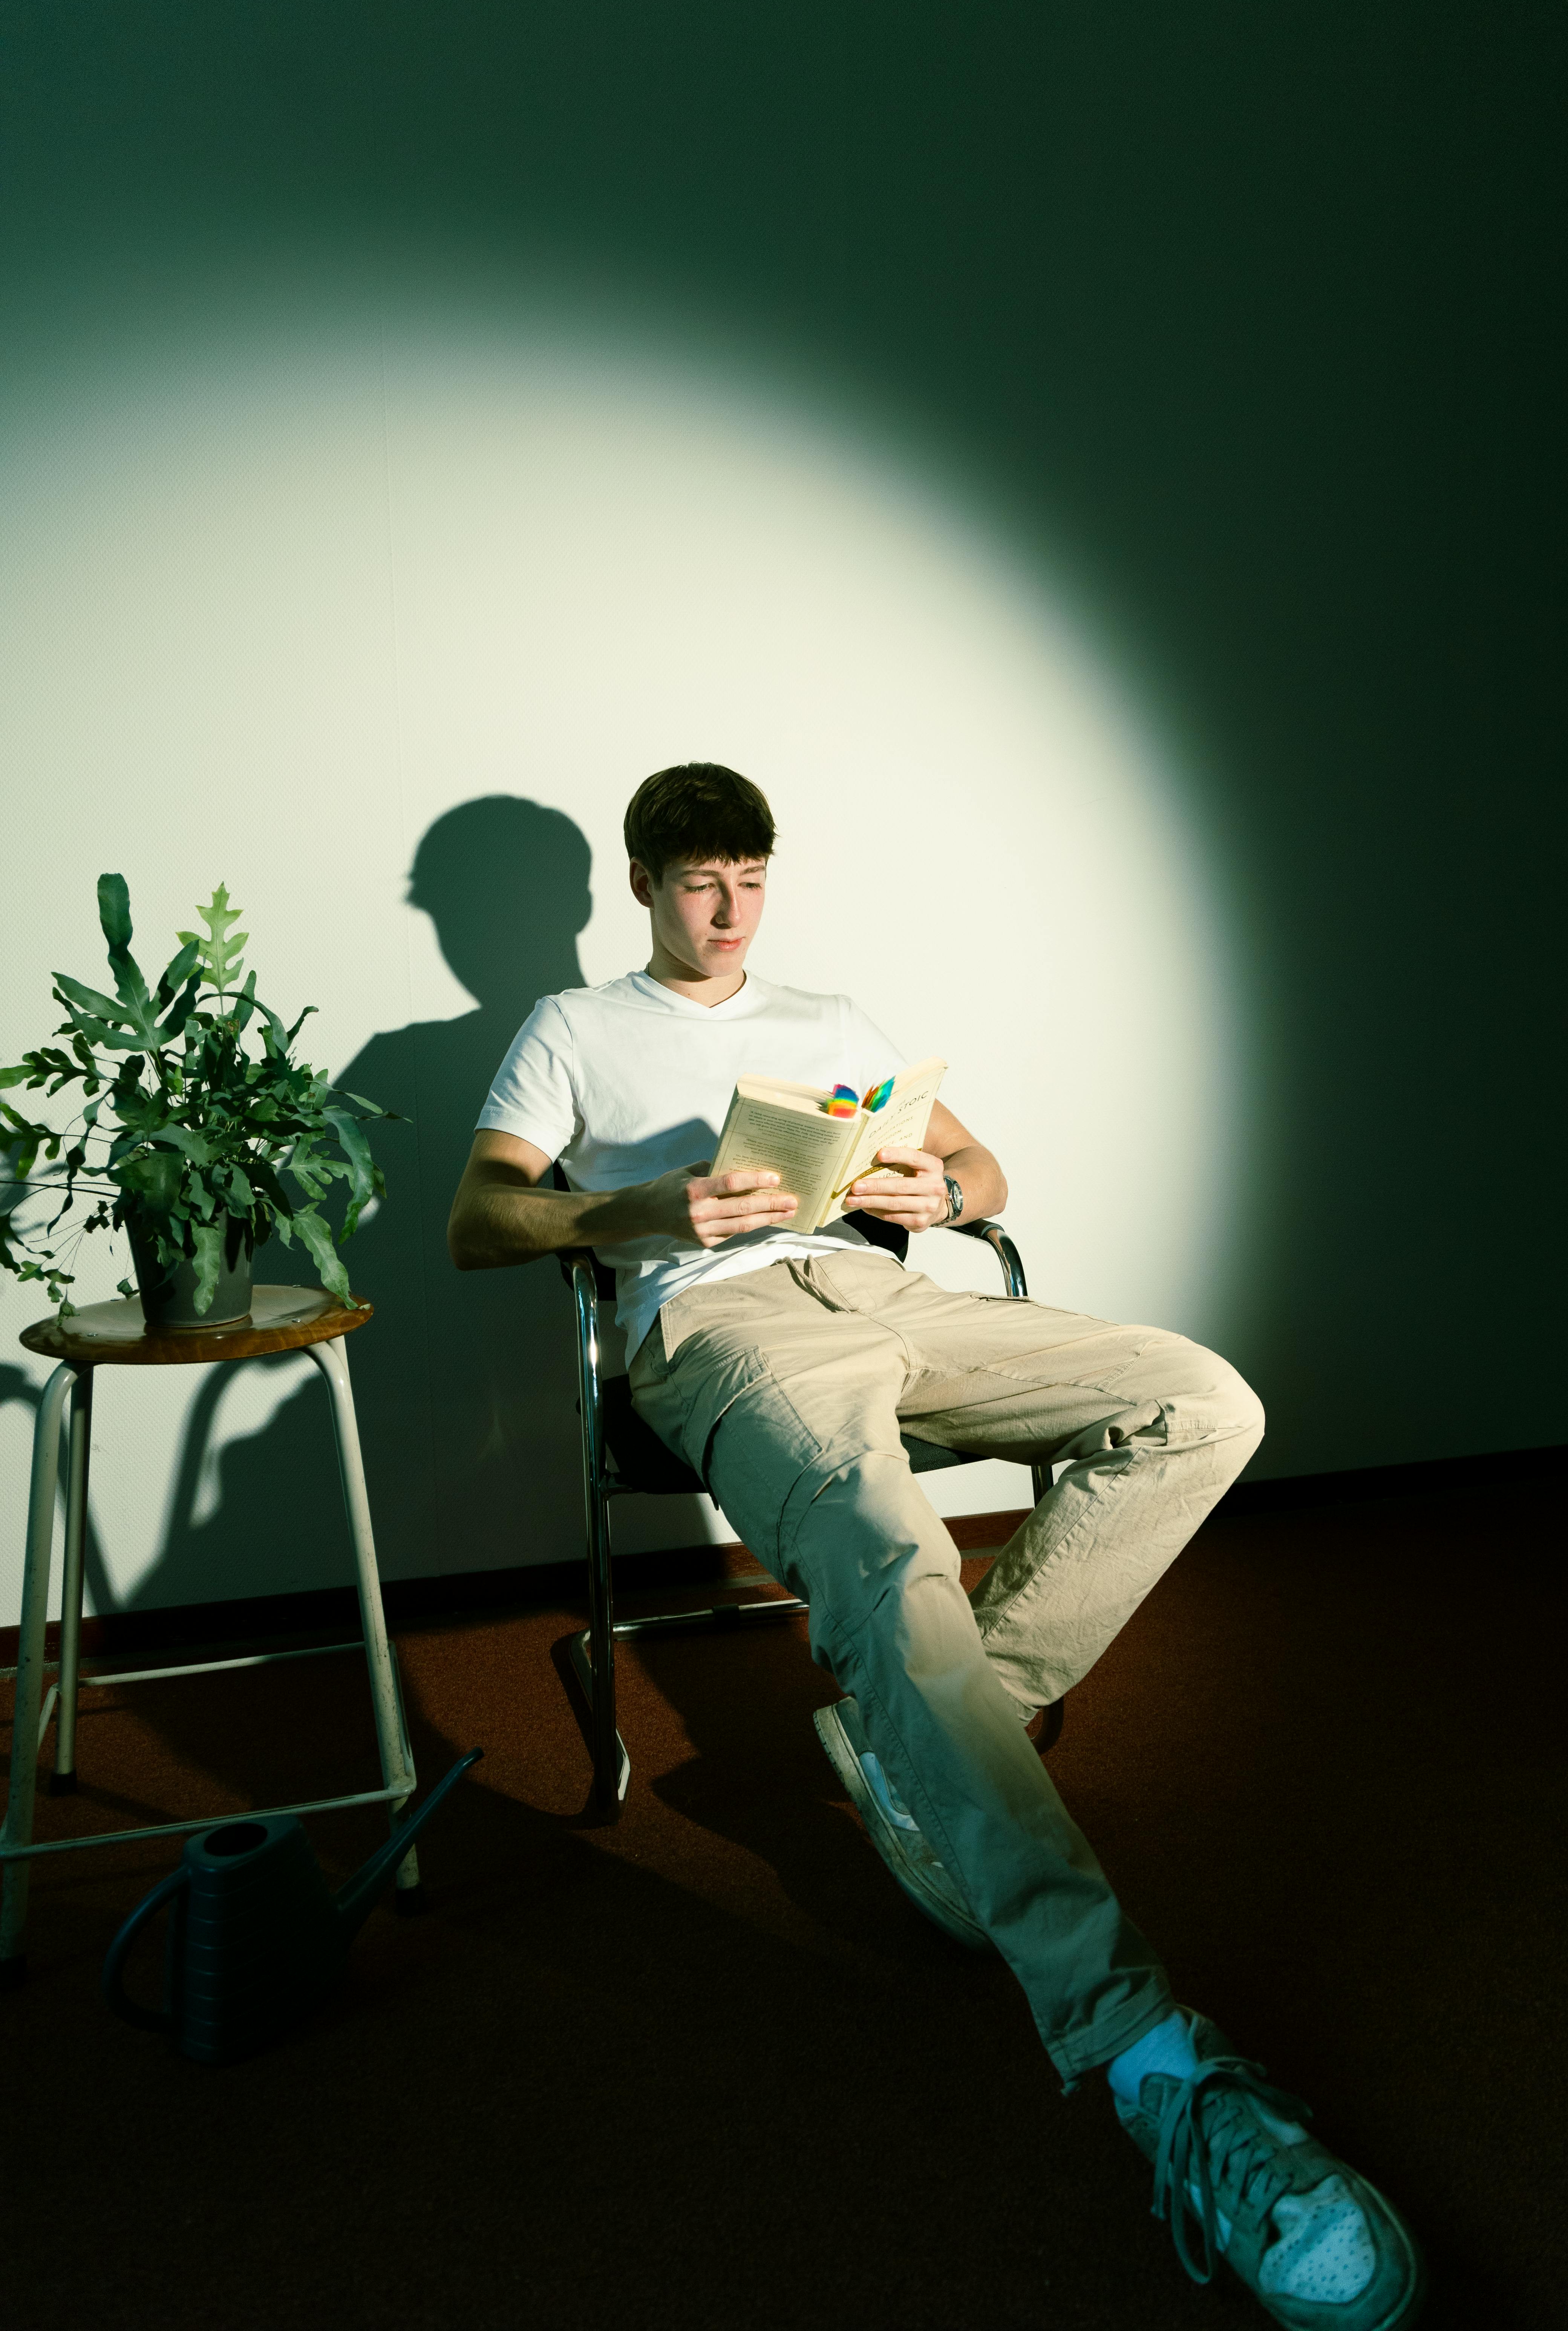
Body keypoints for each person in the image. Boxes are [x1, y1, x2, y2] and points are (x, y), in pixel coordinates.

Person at [447, 763, 1424, 2329]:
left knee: (1200, 1403)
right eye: (699, 879)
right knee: (901, 1578)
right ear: (638, 884)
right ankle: (1141, 2053)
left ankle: (918, 1739)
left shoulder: (830, 1016)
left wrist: (932, 1182)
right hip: (720, 1327)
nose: (728, 907)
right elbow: (477, 1221)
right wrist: (637, 1218)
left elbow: (980, 1173)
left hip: (887, 1293)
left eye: (751, 875)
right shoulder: (574, 1029)